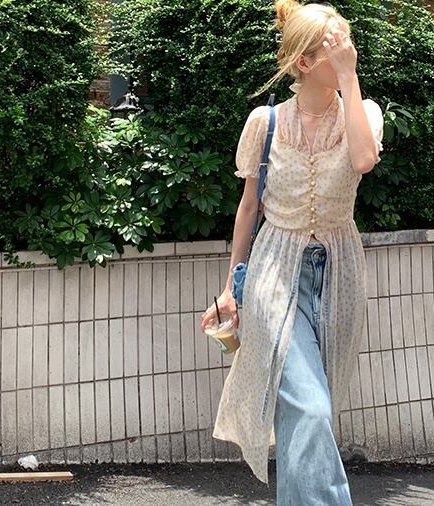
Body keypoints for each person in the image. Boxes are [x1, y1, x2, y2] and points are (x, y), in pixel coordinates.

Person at [200, 0, 384, 504]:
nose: (348, 52)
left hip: (339, 273)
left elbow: (363, 159)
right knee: (310, 407)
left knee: (310, 411)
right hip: (274, 272)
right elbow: (248, 208)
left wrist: (348, 78)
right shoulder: (266, 123)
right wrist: (231, 287)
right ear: (304, 61)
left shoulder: (363, 112)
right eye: (335, 47)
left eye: (348, 42)